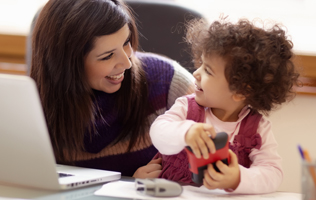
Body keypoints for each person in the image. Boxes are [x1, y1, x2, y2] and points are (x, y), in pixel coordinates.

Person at [30, 0, 195, 178]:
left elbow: (221, 148)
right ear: (66, 65)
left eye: (126, 42)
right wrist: (129, 184)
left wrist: (135, 187)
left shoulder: (169, 82)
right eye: (107, 56)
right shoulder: (31, 103)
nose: (127, 62)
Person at [150, 17, 300, 194]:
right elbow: (158, 132)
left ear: (241, 91)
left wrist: (237, 178)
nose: (196, 74)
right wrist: (185, 132)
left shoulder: (257, 129)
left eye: (208, 70)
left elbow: (272, 173)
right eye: (201, 65)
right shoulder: (186, 107)